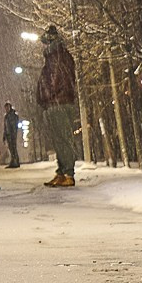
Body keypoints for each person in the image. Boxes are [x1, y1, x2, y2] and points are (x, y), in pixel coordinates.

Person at [35, 25, 80, 187]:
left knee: (63, 139)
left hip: (58, 102)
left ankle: (68, 173)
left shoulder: (57, 56)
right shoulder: (57, 56)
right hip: (56, 102)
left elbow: (55, 80)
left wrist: (48, 96)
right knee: (59, 140)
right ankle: (62, 172)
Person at [2, 102, 22, 168]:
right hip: (8, 134)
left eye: (7, 107)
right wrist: (4, 135)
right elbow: (5, 127)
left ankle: (15, 161)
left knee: (13, 147)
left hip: (12, 134)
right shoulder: (6, 116)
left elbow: (14, 126)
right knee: (11, 148)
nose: (6, 109)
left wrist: (13, 133)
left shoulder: (13, 115)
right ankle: (14, 161)